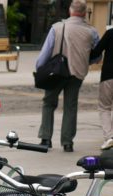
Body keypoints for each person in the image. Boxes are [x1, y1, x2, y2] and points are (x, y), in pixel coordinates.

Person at [36, 0, 99, 152]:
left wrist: (39, 67)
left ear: (70, 11)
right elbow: (97, 57)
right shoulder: (92, 31)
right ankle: (67, 142)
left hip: (56, 71)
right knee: (71, 106)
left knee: (49, 103)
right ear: (84, 13)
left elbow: (46, 51)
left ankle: (45, 139)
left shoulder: (57, 28)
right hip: (77, 73)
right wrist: (84, 61)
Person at [90, 28, 113, 150]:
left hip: (109, 75)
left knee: (105, 107)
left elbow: (96, 51)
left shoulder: (110, 33)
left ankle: (109, 137)